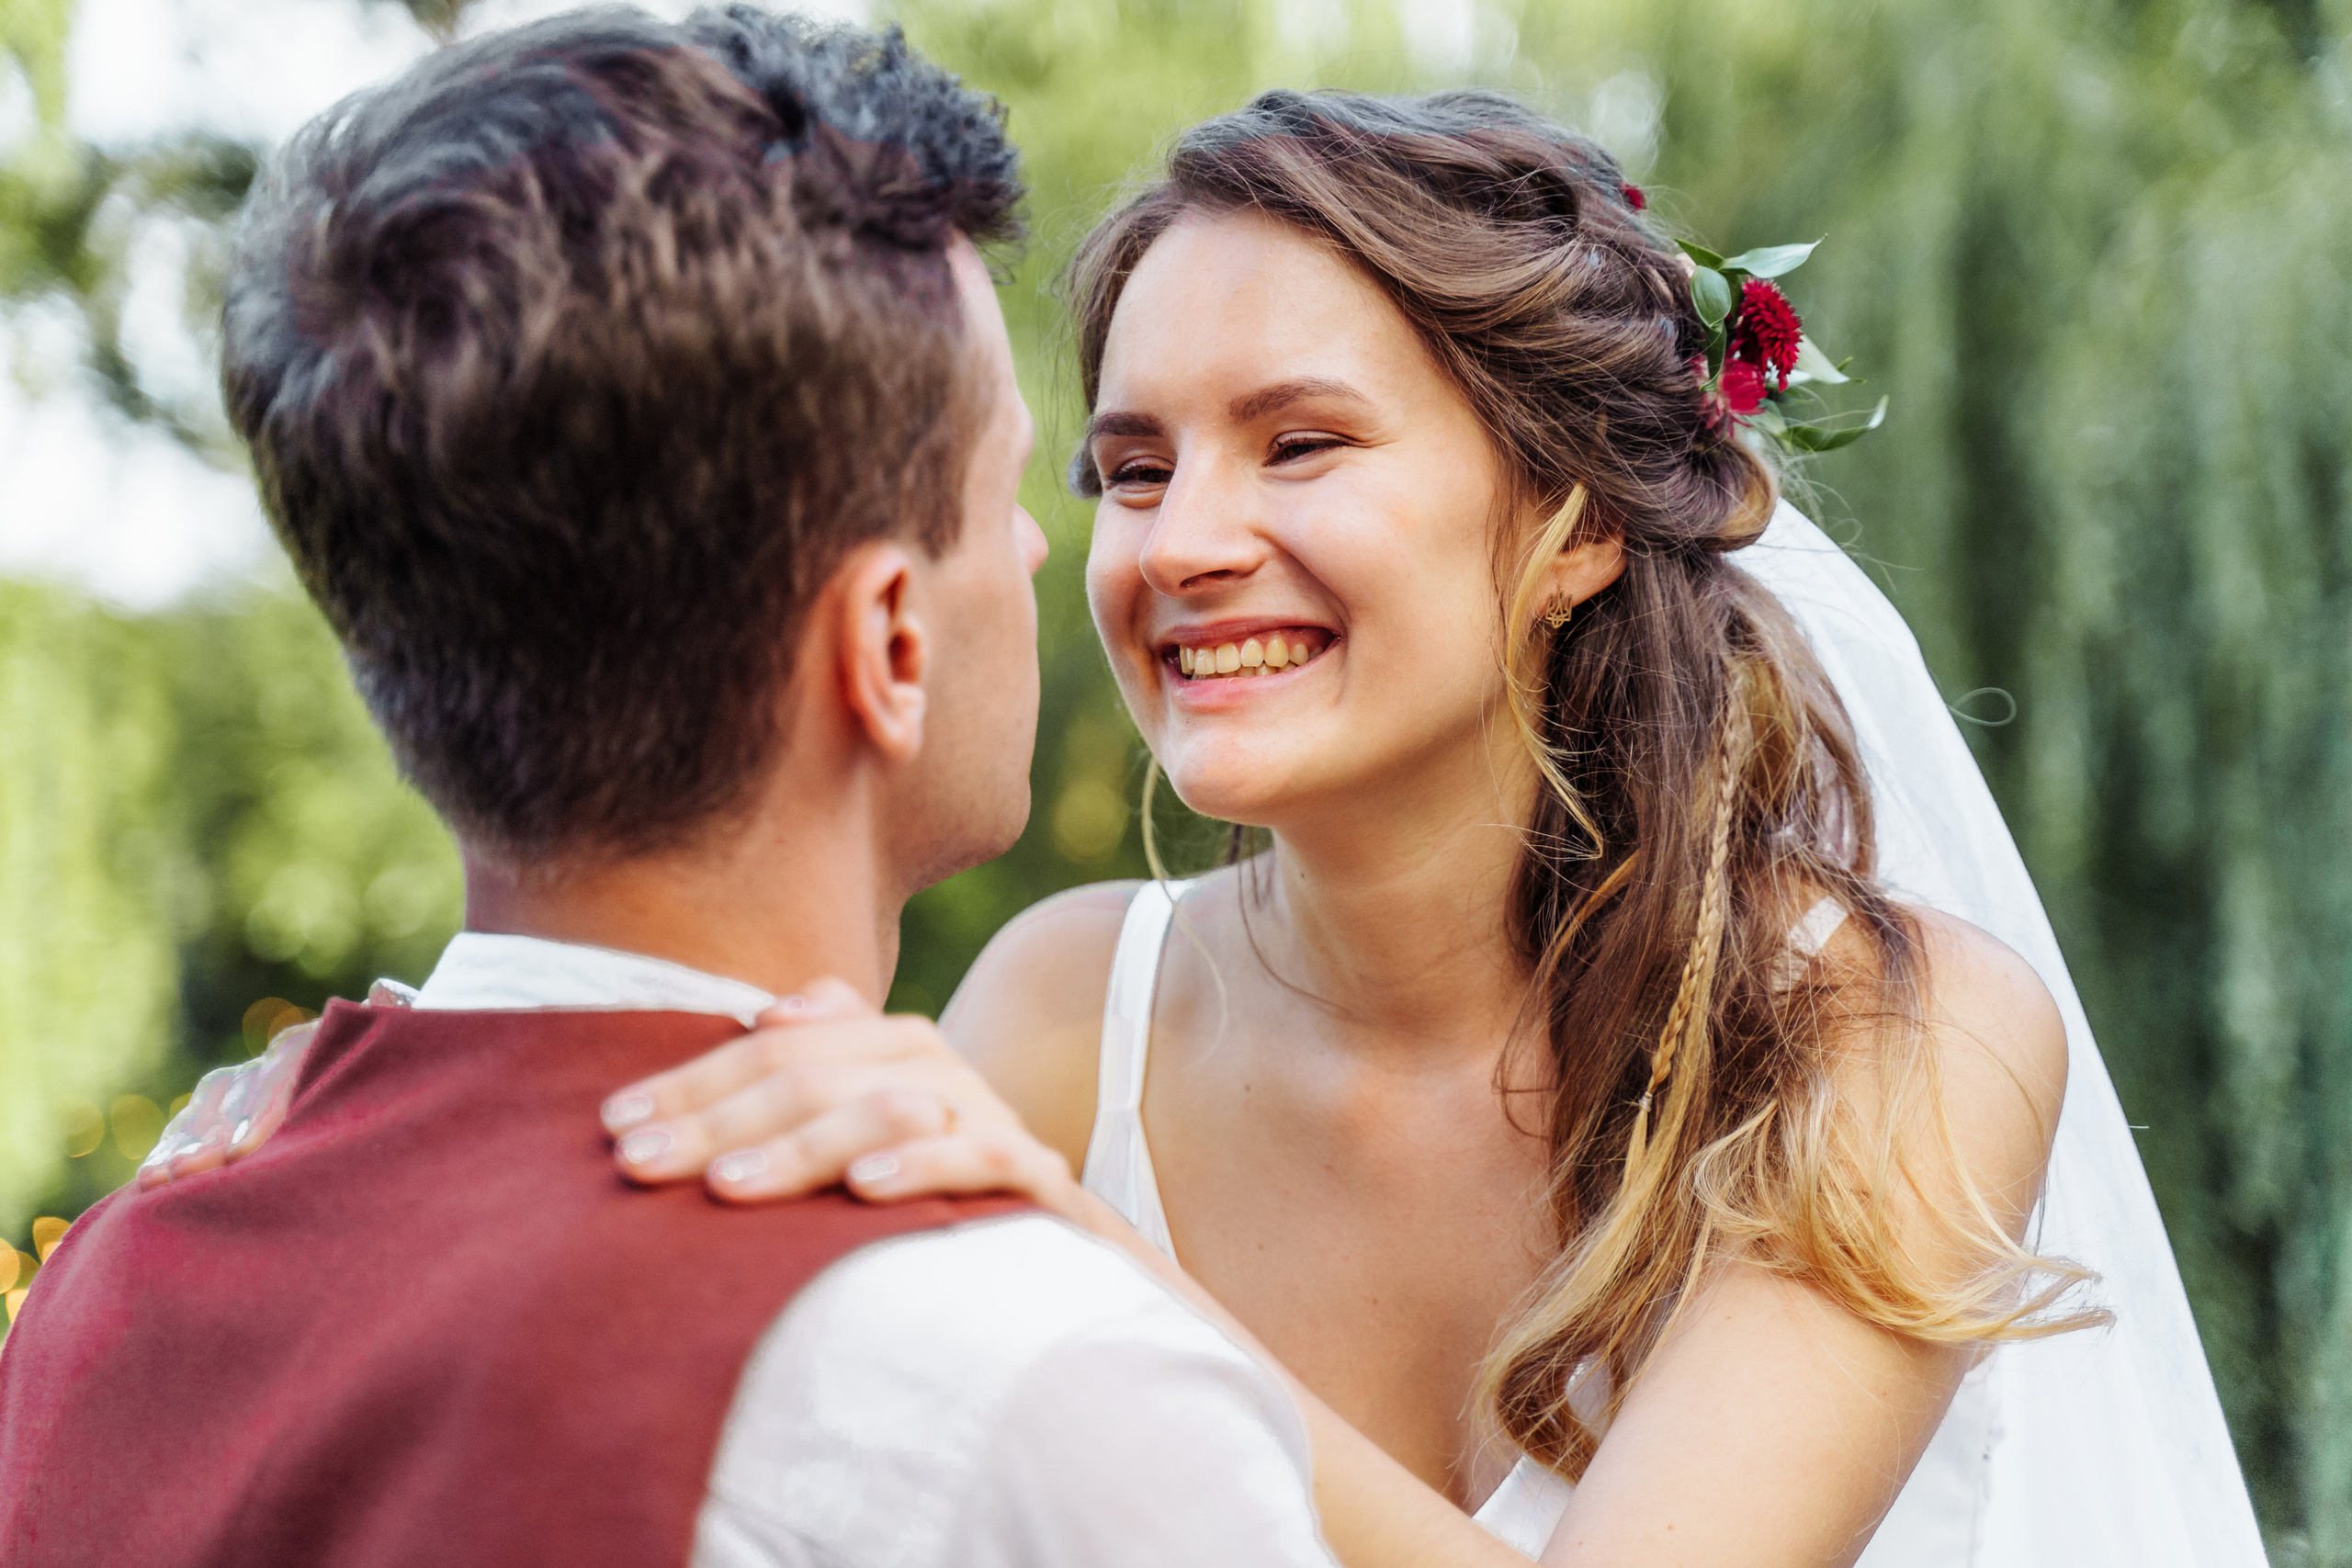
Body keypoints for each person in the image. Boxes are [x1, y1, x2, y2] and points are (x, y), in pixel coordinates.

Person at [143, 73, 2271, 1568]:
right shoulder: (1066, 993)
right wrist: (379, 1127)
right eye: (1130, 466)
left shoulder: (1891, 1032)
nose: (1187, 543)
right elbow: (735, 1258)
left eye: (1300, 442)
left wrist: (1053, 1237)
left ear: (1564, 527)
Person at [0, 13, 1371, 1566]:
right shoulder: (1050, 1386)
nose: (1053, 553)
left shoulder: (108, 1280)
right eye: (1004, 495)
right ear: (890, 644)